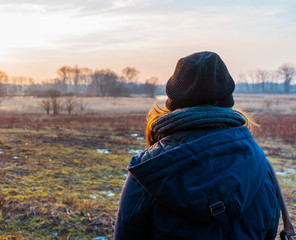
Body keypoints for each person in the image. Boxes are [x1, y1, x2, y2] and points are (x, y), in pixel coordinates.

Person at [114, 51, 280, 240]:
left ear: (173, 101)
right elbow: (268, 231)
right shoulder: (260, 165)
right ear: (227, 99)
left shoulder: (149, 169)